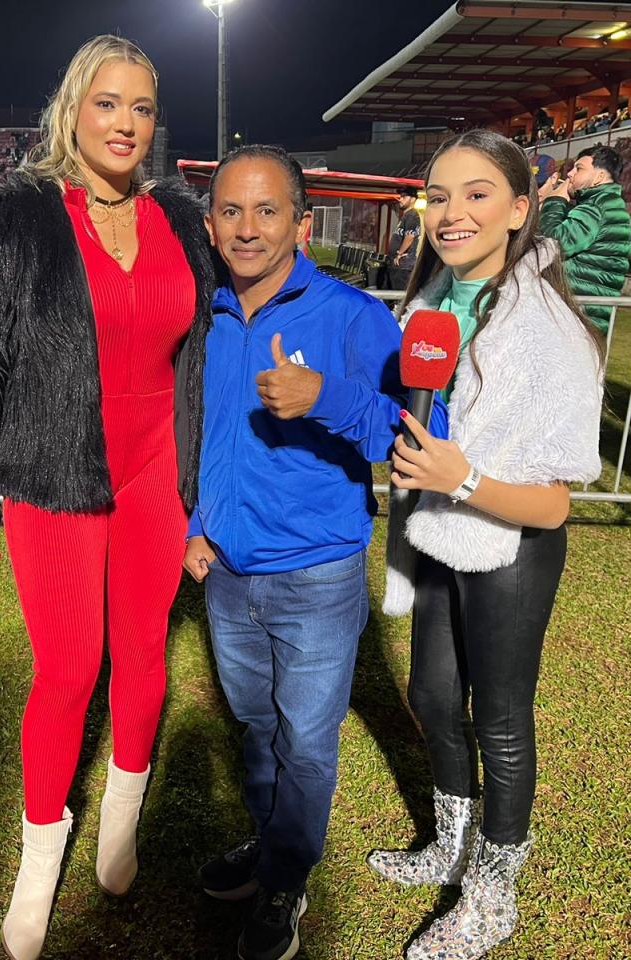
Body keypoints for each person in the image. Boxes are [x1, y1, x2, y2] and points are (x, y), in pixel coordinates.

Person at [0, 35, 214, 960]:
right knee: (67, 670)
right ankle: (38, 862)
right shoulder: (16, 217)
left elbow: (204, 352)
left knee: (144, 654)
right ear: (72, 110)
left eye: (142, 107)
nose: (126, 123)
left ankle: (119, 827)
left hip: (154, 472)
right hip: (51, 472)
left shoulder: (178, 216)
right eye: (108, 103)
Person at [184, 145, 448, 960]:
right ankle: (271, 844)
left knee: (305, 740)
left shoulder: (352, 316)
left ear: (302, 224)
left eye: (267, 211)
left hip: (317, 576)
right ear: (210, 224)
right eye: (231, 211)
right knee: (256, 725)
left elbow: (420, 434)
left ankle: (287, 879)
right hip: (227, 574)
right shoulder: (205, 318)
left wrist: (325, 397)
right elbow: (195, 434)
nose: (248, 228)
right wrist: (195, 525)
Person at [369, 130, 603, 960]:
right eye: (438, 196)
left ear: (518, 208)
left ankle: (493, 894)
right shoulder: (431, 305)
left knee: (499, 720)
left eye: (476, 194)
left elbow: (554, 504)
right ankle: (450, 844)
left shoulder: (548, 329)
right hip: (440, 529)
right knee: (433, 697)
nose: (452, 213)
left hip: (510, 545)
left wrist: (462, 477)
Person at [537, 145, 631, 332]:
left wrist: (555, 201)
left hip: (575, 319)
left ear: (599, 176)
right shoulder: (607, 204)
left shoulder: (597, 207)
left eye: (579, 168)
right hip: (583, 317)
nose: (570, 174)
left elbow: (551, 245)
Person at [389, 192, 421, 290]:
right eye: (400, 197)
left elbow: (410, 236)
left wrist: (399, 254)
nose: (401, 199)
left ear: (413, 199)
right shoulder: (406, 215)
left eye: (404, 197)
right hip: (398, 265)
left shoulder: (412, 215)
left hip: (404, 265)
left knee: (399, 295)